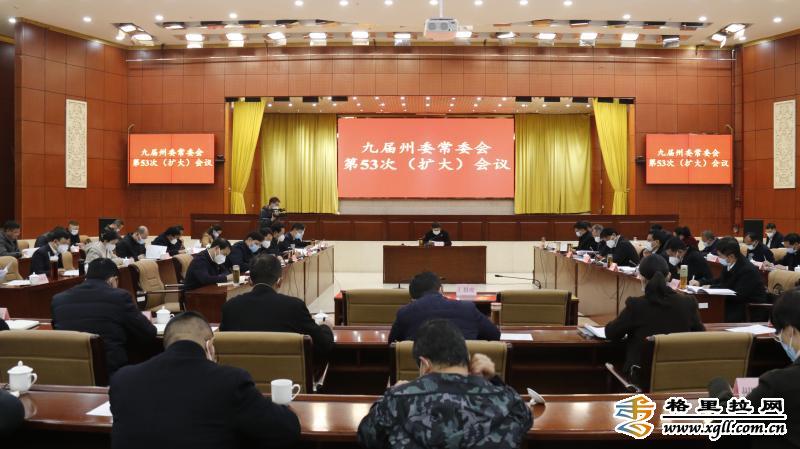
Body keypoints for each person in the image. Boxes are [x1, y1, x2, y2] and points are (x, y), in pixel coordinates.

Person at [109, 311, 300, 449]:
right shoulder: (230, 381)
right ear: (210, 345)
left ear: (167, 345)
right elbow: (286, 430)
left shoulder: (123, 380)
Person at [358, 319, 532, 448]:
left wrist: (392, 393)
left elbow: (366, 436)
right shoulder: (506, 400)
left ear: (424, 364)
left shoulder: (396, 401)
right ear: (467, 358)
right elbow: (525, 417)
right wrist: (493, 380)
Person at [708, 290, 800, 449]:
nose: (780, 340)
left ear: (791, 331)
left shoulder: (778, 384)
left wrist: (720, 389)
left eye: (779, 333)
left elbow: (727, 426)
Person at [606, 255, 705, 383]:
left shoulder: (636, 305)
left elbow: (611, 333)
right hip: (680, 376)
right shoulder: (688, 302)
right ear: (669, 276)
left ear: (641, 278)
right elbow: (700, 335)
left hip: (642, 378)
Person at [51, 258, 158, 376]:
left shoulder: (58, 300)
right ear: (113, 280)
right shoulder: (119, 297)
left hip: (69, 373)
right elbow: (149, 333)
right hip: (110, 372)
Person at [220, 254, 334, 360]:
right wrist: (326, 327)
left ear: (250, 281)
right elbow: (323, 345)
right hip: (287, 374)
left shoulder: (230, 307)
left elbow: (222, 346)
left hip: (241, 373)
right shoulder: (294, 307)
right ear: (279, 282)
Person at [388, 271, 500, 342]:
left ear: (412, 297)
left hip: (420, 371)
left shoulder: (405, 313)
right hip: (461, 371)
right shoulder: (467, 308)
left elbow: (392, 343)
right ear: (440, 289)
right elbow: (494, 335)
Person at [699, 237, 768, 322]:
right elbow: (720, 280)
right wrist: (701, 283)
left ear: (731, 256)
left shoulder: (747, 270)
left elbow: (738, 295)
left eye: (720, 256)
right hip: (732, 304)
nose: (719, 258)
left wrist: (711, 288)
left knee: (712, 313)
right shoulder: (730, 263)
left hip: (747, 309)